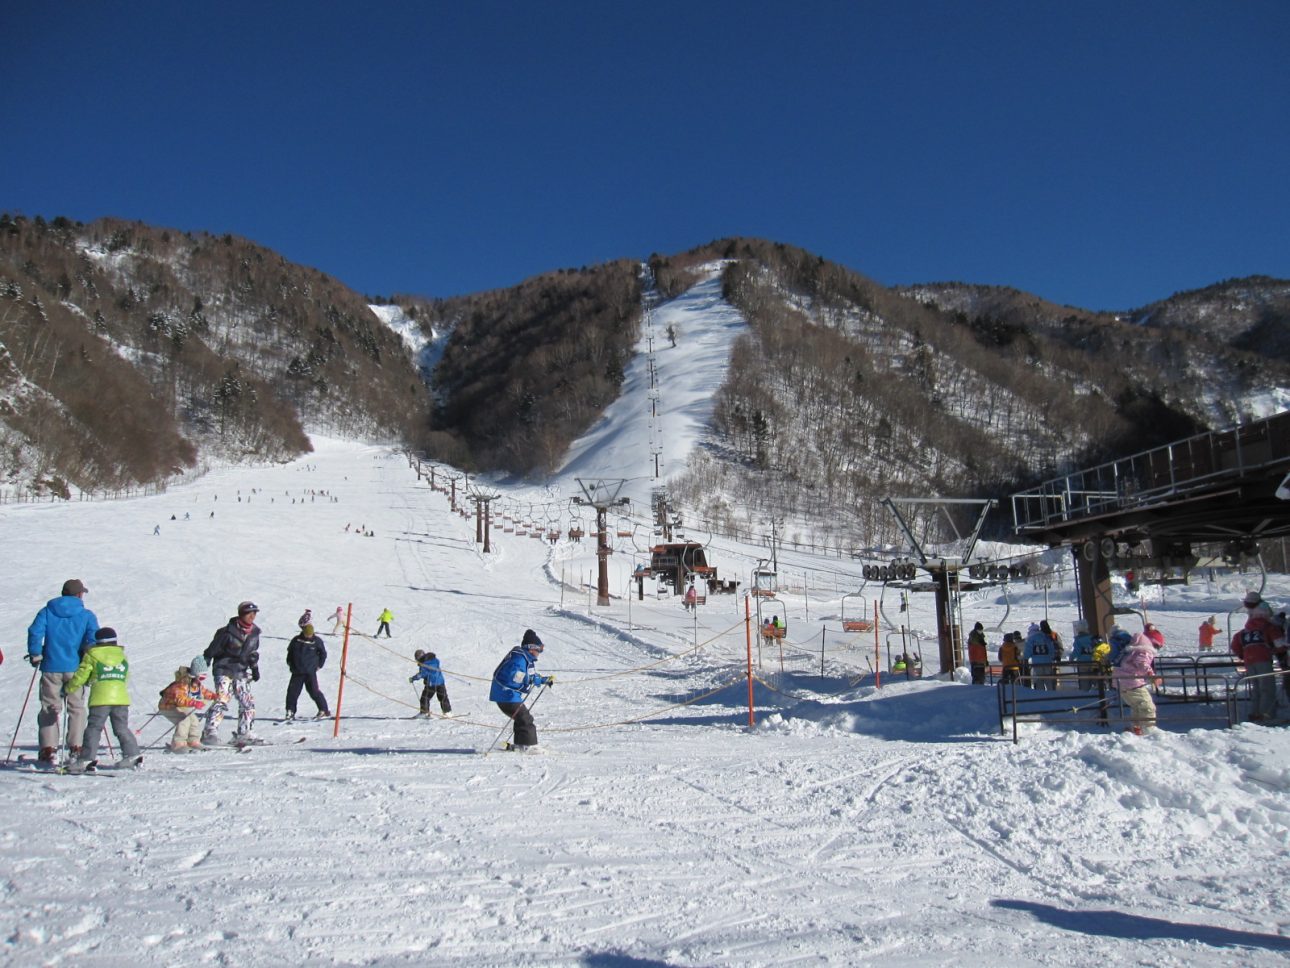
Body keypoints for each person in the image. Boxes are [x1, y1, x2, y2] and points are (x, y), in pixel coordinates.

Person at [26, 578, 99, 763]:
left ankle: (48, 749)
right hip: (76, 667)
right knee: (76, 708)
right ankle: (77, 747)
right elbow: (93, 639)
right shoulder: (86, 615)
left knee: (49, 707)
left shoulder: (47, 611)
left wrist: (36, 653)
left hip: (51, 666)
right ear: (79, 594)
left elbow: (35, 631)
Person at [65, 627, 142, 772]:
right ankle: (132, 754)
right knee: (121, 728)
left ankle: (86, 758)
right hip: (121, 698)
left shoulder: (93, 654)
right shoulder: (122, 655)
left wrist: (69, 687)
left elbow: (82, 675)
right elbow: (125, 676)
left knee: (94, 728)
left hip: (100, 698)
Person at [201, 601, 263, 745]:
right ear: (241, 614)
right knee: (222, 698)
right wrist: (204, 663)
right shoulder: (227, 632)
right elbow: (212, 650)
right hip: (224, 668)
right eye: (249, 613)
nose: (252, 616)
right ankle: (210, 731)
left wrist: (254, 668)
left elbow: (252, 653)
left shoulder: (254, 633)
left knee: (247, 701)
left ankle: (244, 732)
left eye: (254, 613)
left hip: (241, 670)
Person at [490, 629, 554, 750]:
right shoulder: (519, 659)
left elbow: (529, 675)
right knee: (525, 718)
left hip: (508, 695)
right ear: (531, 648)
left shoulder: (526, 658)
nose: (539, 653)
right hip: (506, 695)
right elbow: (515, 676)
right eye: (538, 650)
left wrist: (542, 680)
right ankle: (528, 746)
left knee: (521, 718)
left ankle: (521, 744)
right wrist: (529, 680)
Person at [1230, 602, 1285, 722]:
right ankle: (1266, 715)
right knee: (1267, 688)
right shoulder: (1269, 627)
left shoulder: (1244, 631)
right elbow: (1280, 644)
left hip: (1249, 662)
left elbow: (1234, 645)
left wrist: (1242, 655)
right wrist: (1277, 650)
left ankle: (1255, 712)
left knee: (1256, 688)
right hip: (1263, 660)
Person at [158, 660, 216, 752]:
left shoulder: (195, 683)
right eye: (201, 677)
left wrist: (213, 696)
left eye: (204, 677)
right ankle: (178, 743)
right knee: (184, 720)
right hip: (168, 706)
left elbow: (203, 692)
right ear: (195, 675)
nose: (202, 680)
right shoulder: (182, 683)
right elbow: (179, 699)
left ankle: (193, 741)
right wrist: (193, 703)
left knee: (194, 720)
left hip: (181, 707)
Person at [1112, 631, 1158, 735]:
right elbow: (1142, 663)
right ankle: (1148, 730)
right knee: (1147, 706)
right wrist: (1151, 674)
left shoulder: (1128, 652)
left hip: (1120, 683)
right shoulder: (1144, 651)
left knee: (1136, 706)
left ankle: (1136, 728)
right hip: (1132, 682)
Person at [285, 624, 330, 721]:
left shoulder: (316, 641)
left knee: (314, 691)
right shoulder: (296, 640)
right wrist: (290, 663)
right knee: (292, 693)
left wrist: (319, 665)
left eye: (310, 634)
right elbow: (290, 653)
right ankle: (290, 711)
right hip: (297, 672)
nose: (309, 636)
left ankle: (323, 710)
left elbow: (323, 654)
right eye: (307, 634)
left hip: (310, 672)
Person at [410, 650, 453, 717]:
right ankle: (448, 712)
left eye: (417, 659)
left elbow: (422, 674)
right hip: (440, 682)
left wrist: (413, 678)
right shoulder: (434, 660)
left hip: (431, 684)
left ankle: (424, 713)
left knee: (425, 698)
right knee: (443, 697)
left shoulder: (424, 664)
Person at [1023, 622, 1056, 690]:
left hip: (1037, 663)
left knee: (1039, 680)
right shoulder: (1046, 637)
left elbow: (1028, 652)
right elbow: (1051, 648)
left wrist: (1025, 657)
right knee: (1048, 680)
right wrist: (1052, 657)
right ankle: (1051, 694)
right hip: (1047, 661)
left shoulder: (1031, 639)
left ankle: (1041, 695)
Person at [1069, 620, 1098, 691]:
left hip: (1082, 663)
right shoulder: (1092, 638)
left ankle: (1085, 695)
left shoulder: (1078, 640)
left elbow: (1077, 651)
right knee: (1095, 680)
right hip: (1093, 662)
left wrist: (1071, 658)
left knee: (1084, 681)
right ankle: (1097, 693)